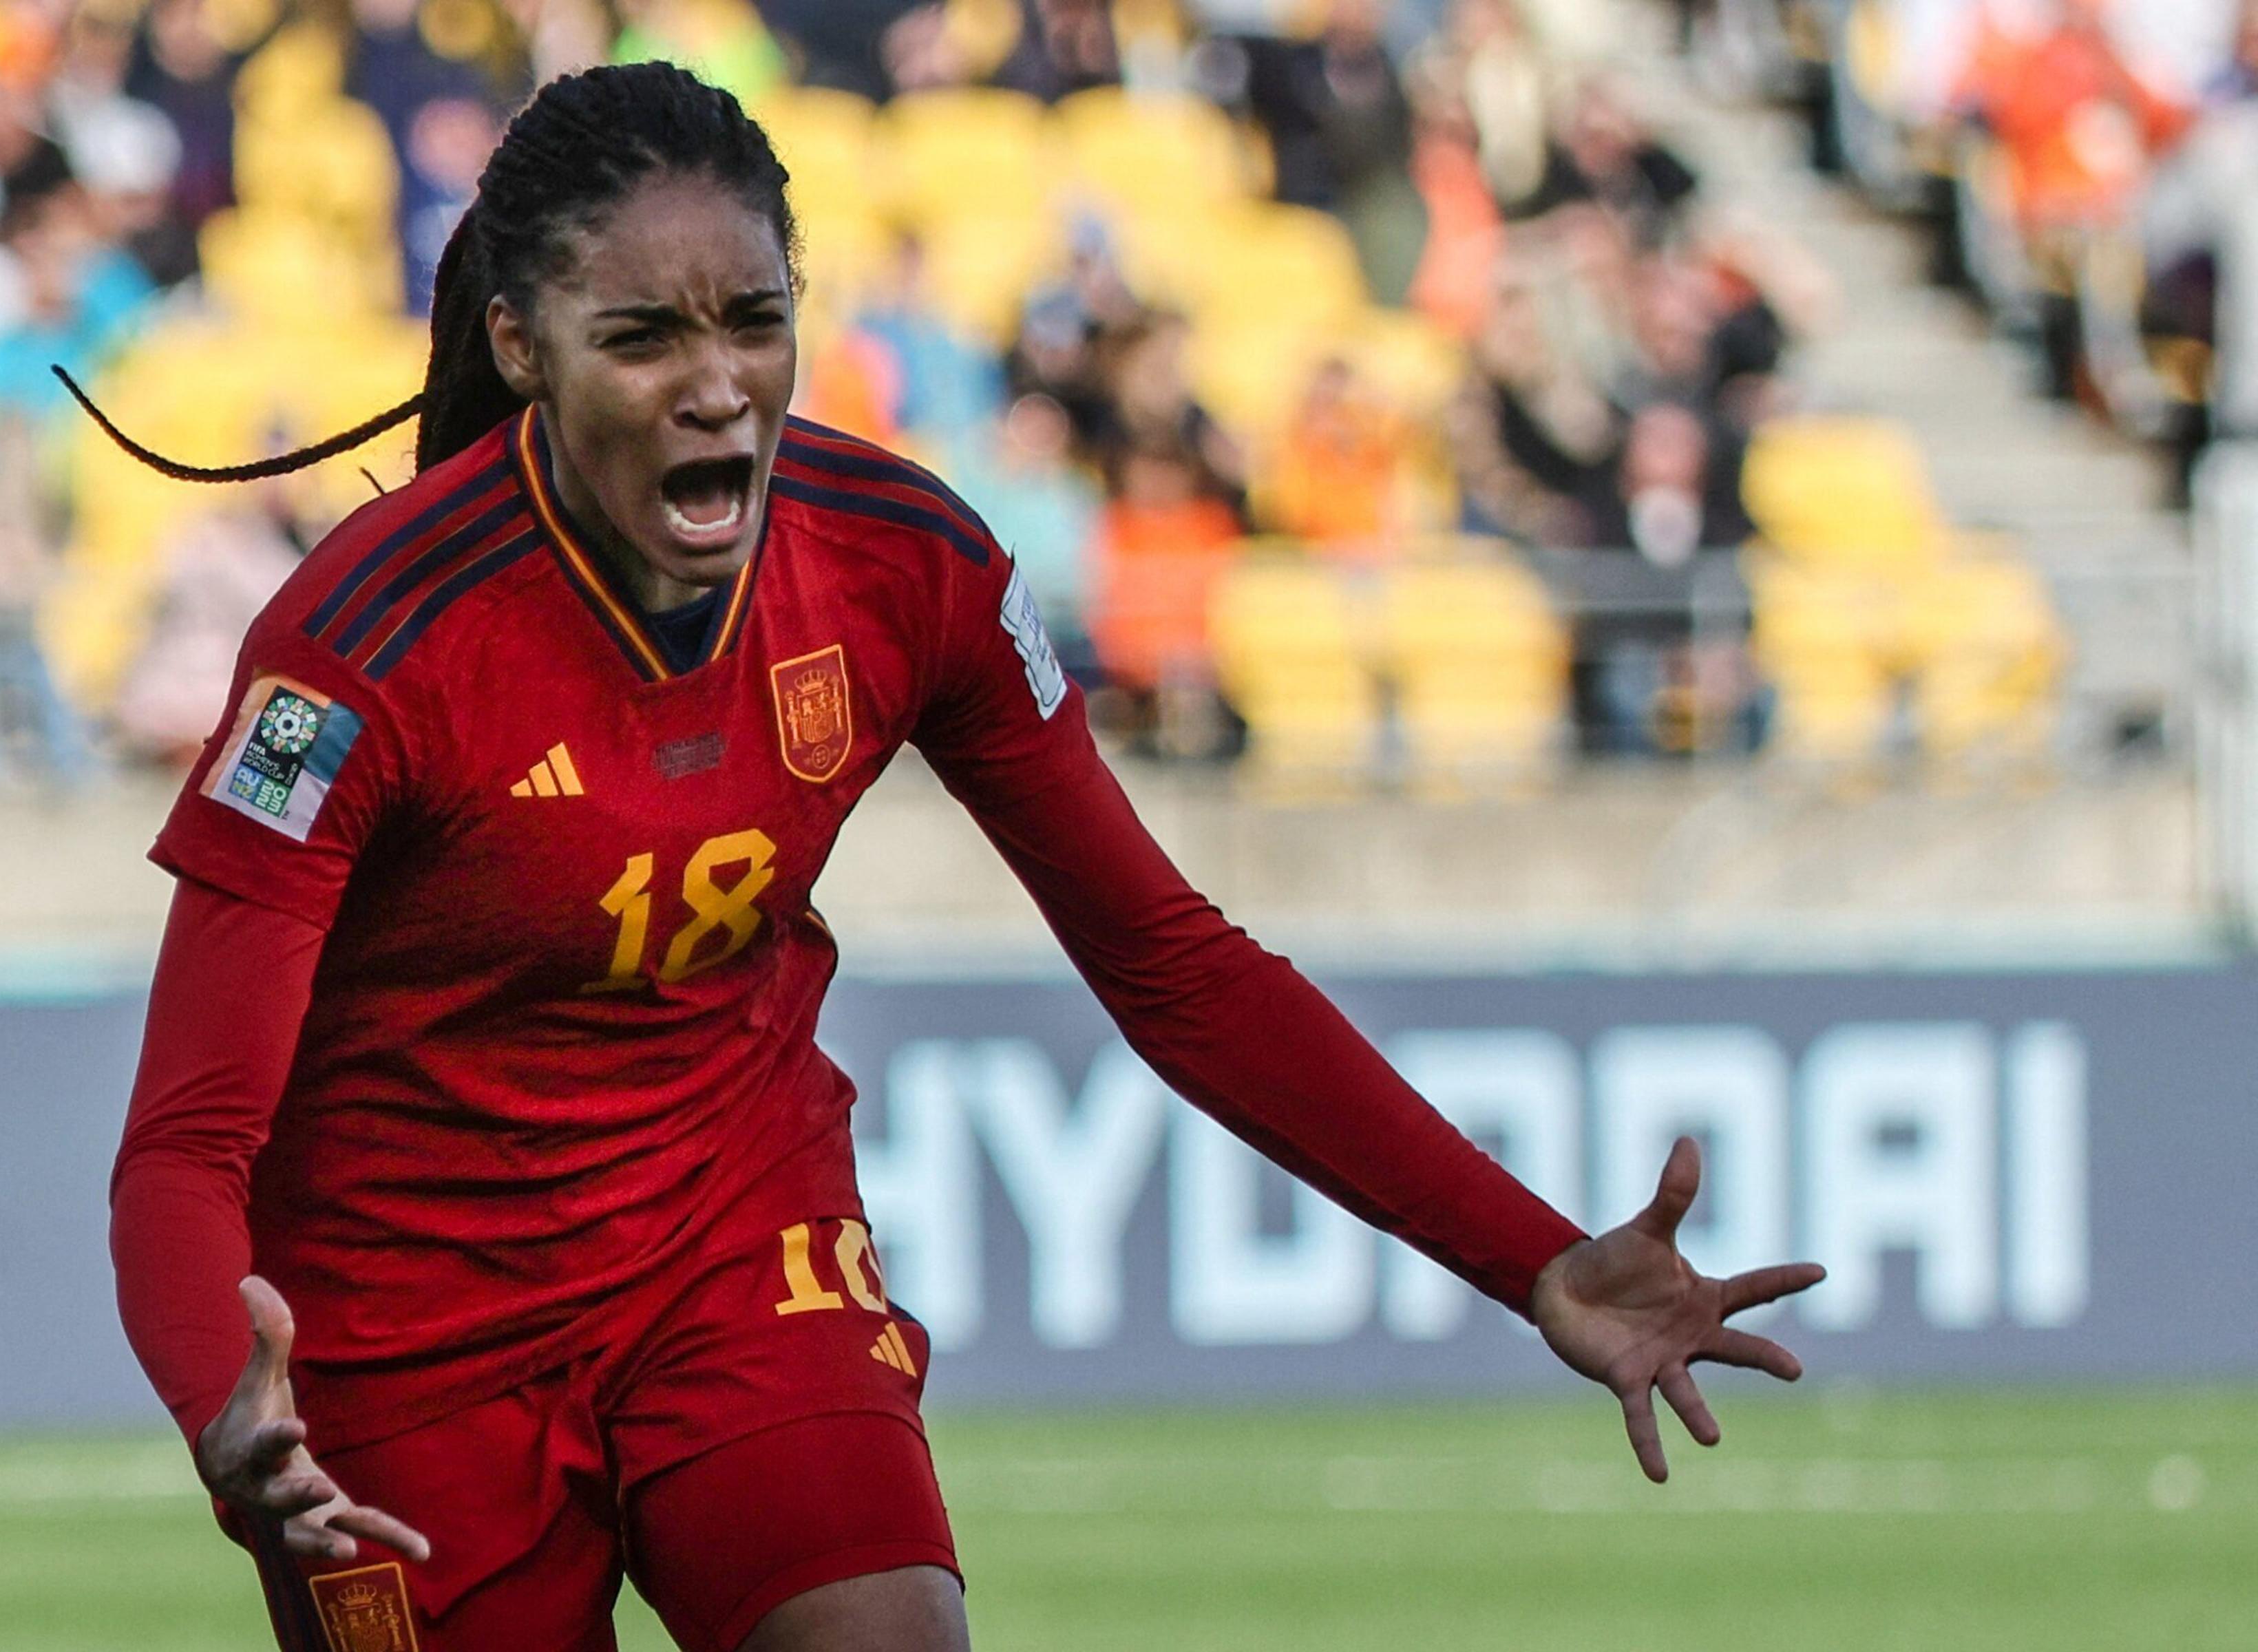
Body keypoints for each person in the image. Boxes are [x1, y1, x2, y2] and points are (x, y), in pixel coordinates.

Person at [97, 62, 1823, 1652]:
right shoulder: (363, 648)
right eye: (641, 339)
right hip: (404, 1328)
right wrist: (218, 1401)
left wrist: (1529, 1255)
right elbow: (185, 1139)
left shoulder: (905, 562)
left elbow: (1175, 962)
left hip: (725, 1241)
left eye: (755, 322)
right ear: (524, 348)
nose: (717, 389)